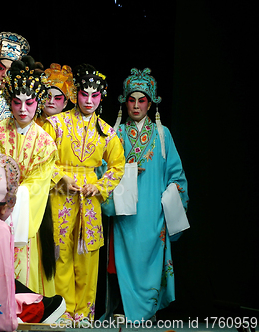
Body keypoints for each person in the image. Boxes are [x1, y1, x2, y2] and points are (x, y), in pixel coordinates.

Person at [0, 55, 60, 299]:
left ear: (38, 102)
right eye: (17, 102)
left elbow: (37, 186)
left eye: (29, 102)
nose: (23, 109)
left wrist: (11, 199)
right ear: (9, 101)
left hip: (23, 220)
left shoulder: (45, 143)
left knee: (23, 270)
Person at [101, 68, 189, 322]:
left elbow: (177, 174)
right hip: (125, 213)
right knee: (121, 263)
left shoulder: (163, 134)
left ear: (150, 104)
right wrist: (125, 170)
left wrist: (171, 197)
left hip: (153, 214)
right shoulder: (114, 134)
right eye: (131, 100)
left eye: (142, 100)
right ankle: (122, 311)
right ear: (124, 102)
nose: (136, 106)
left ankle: (146, 314)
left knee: (149, 265)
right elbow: (103, 169)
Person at [41, 64, 125, 323]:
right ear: (76, 93)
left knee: (88, 255)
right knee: (61, 251)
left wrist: (99, 186)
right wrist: (59, 176)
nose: (89, 100)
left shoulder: (107, 131)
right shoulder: (56, 124)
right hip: (61, 194)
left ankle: (85, 313)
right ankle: (63, 311)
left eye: (95, 95)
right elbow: (42, 157)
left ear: (102, 97)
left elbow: (118, 166)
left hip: (89, 198)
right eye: (84, 94)